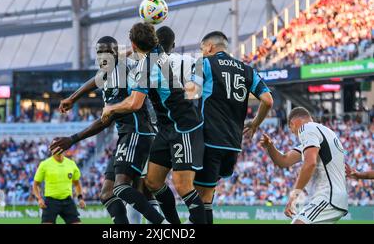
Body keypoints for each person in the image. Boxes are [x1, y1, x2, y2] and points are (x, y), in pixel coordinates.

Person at [52, 36, 166, 224]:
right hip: (128, 134)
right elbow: (96, 79)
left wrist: (72, 139)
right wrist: (73, 98)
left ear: (115, 53)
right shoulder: (111, 69)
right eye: (99, 52)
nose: (102, 56)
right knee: (108, 193)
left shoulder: (119, 74)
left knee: (123, 188)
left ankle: (164, 225)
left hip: (137, 132)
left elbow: (107, 119)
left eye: (107, 52)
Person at [101, 22, 206, 224]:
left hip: (183, 126)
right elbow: (137, 54)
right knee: (152, 182)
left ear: (133, 44)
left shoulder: (147, 66)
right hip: (166, 129)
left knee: (183, 186)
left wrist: (110, 108)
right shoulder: (156, 54)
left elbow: (134, 103)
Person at [188, 31, 273, 224]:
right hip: (233, 145)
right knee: (207, 195)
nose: (202, 52)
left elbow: (191, 94)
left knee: (201, 198)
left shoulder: (205, 63)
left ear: (209, 47)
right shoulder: (247, 69)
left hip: (210, 139)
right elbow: (268, 100)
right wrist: (255, 124)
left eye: (202, 49)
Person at [259, 107, 348, 224]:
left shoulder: (306, 128)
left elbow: (310, 163)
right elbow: (284, 161)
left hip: (327, 196)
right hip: (334, 197)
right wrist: (270, 147)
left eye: (291, 130)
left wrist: (294, 196)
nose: (295, 134)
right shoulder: (323, 133)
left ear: (292, 124)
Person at [32, 138, 86, 224]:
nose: (57, 148)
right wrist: (39, 199)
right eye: (54, 146)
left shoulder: (71, 164)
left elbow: (77, 184)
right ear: (51, 149)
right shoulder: (44, 164)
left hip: (68, 201)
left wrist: (80, 198)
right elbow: (35, 184)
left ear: (64, 147)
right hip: (50, 202)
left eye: (59, 145)